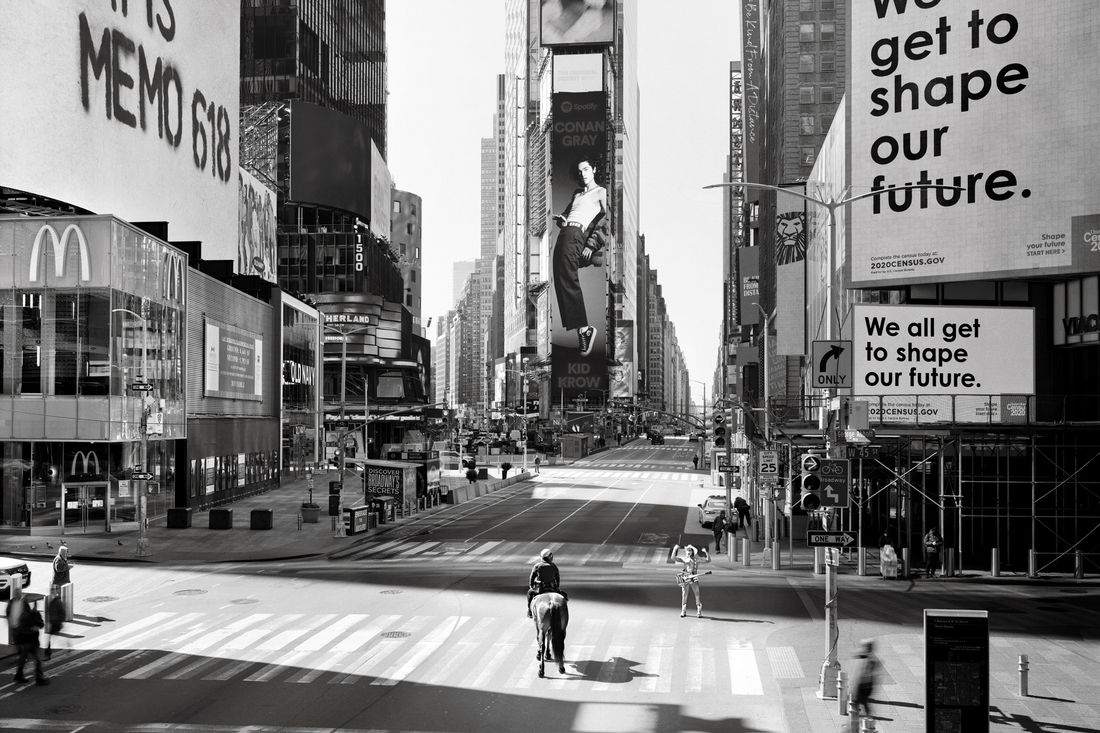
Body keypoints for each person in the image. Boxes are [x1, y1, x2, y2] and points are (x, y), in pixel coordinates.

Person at [552, 157, 609, 358]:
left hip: (577, 234)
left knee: (567, 275)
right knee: (559, 275)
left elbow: (606, 221)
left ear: (594, 169)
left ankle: (584, 329)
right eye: (580, 171)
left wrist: (591, 244)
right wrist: (562, 219)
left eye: (586, 169)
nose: (583, 174)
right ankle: (582, 329)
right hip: (565, 233)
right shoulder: (577, 194)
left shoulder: (601, 192)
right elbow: (570, 214)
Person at [9, 597, 48, 685]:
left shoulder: (32, 614)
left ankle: (19, 676)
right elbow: (20, 629)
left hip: (27, 641)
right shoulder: (25, 616)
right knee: (36, 659)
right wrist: (32, 629)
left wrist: (36, 627)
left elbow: (41, 624)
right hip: (28, 641)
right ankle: (38, 678)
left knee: (25, 659)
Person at [849, 638, 881, 730]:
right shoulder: (870, 657)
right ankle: (865, 718)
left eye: (865, 647)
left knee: (857, 702)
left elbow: (867, 670)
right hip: (867, 685)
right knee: (861, 702)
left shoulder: (870, 659)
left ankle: (859, 723)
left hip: (864, 685)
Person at [671, 544, 710, 618]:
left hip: (694, 577)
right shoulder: (684, 559)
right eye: (687, 550)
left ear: (692, 552)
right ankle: (683, 610)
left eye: (690, 550)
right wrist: (675, 549)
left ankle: (699, 610)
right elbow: (673, 558)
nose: (688, 552)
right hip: (686, 577)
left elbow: (708, 560)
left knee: (697, 594)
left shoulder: (696, 559)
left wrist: (706, 552)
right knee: (684, 594)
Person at [527, 548, 567, 618]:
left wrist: (531, 586)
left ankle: (530, 611)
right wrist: (557, 587)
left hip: (540, 588)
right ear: (550, 557)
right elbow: (557, 578)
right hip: (552, 588)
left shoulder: (537, 566)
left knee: (530, 594)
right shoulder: (553, 566)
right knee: (564, 597)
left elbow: (532, 578)